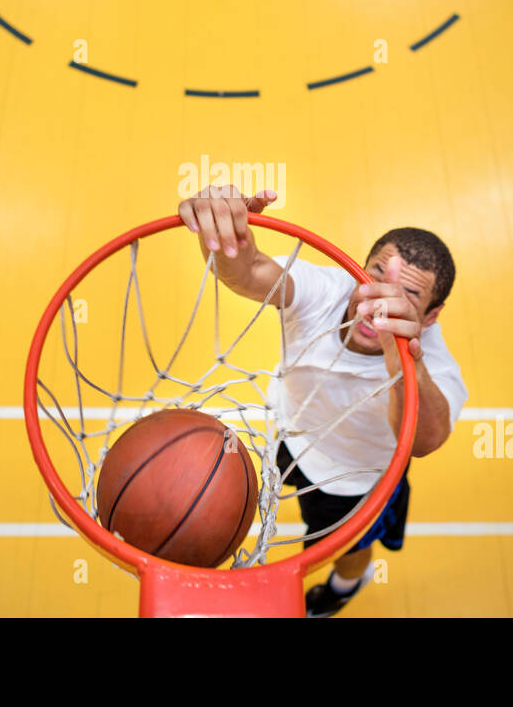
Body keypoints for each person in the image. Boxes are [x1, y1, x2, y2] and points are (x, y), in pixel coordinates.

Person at [178, 185, 468, 617]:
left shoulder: (435, 369)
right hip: (293, 435)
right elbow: (248, 271)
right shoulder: (324, 289)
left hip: (356, 481)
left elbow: (422, 441)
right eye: (375, 276)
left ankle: (347, 584)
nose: (378, 303)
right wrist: (225, 238)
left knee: (343, 549)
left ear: (431, 316)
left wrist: (397, 353)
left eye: (407, 297)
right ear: (360, 268)